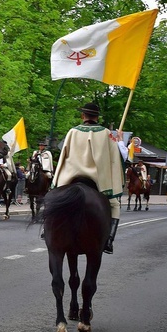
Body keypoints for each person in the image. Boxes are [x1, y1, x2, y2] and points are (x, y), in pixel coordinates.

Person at [52, 103, 127, 255]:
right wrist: (119, 140)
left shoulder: (72, 132)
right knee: (114, 204)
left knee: (53, 201)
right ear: (97, 117)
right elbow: (116, 158)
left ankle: (50, 230)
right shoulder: (107, 133)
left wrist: (56, 183)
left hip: (71, 177)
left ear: (83, 116)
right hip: (98, 180)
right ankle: (109, 240)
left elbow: (63, 156)